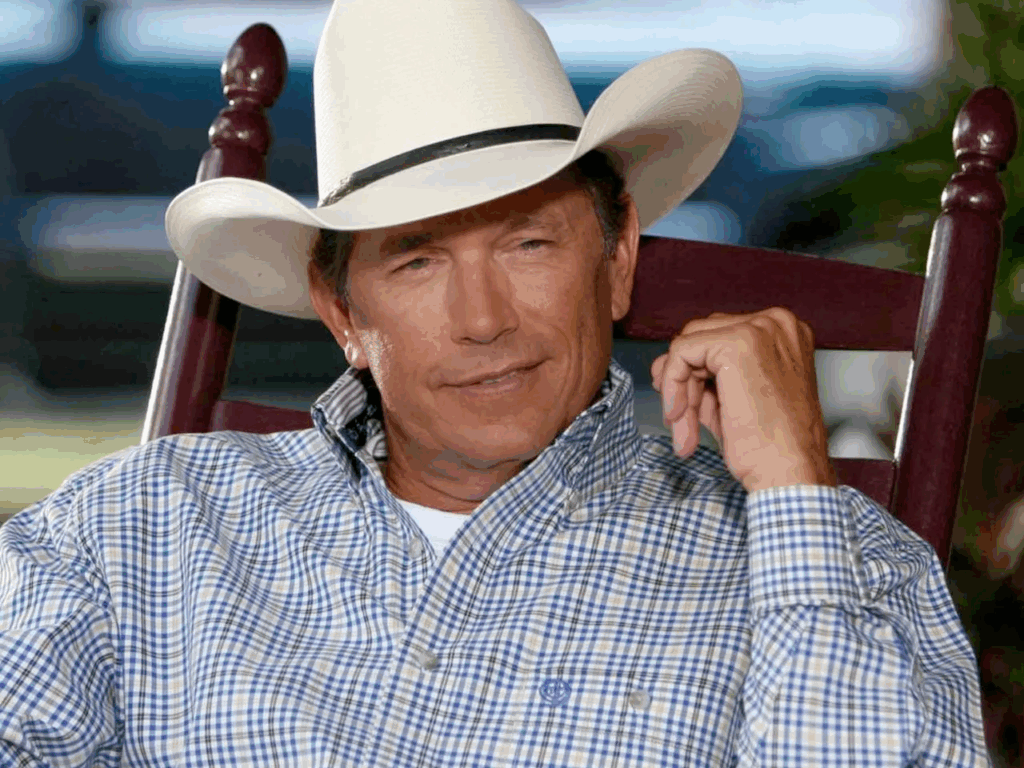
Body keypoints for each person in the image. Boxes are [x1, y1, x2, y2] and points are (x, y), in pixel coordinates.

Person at [0, 0, 990, 765]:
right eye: (418, 260)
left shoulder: (844, 568)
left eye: (528, 243)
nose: (483, 319)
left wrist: (795, 501)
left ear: (616, 257)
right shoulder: (135, 526)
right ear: (342, 312)